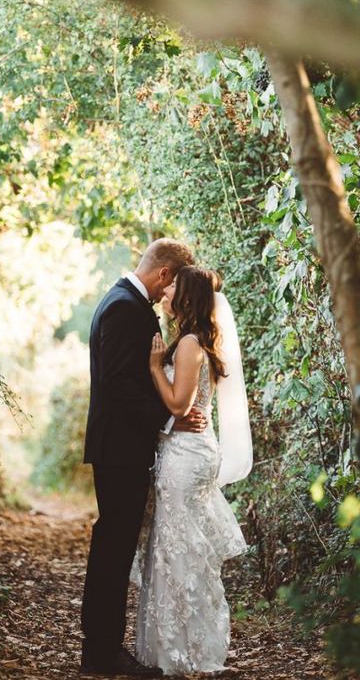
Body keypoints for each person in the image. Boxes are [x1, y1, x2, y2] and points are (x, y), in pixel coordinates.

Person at [80, 238, 204, 677]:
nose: (169, 295)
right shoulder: (123, 307)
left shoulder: (123, 302)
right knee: (113, 548)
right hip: (118, 449)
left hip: (122, 448)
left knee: (114, 546)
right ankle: (101, 652)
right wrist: (169, 420)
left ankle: (102, 649)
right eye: (173, 284)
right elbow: (117, 385)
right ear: (166, 274)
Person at [134, 265, 252, 676]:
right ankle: (179, 646)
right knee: (176, 549)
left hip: (186, 457)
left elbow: (180, 406)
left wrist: (153, 367)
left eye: (172, 289)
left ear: (185, 298)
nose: (164, 293)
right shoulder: (192, 340)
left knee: (177, 551)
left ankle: (185, 651)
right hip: (187, 452)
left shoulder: (188, 344)